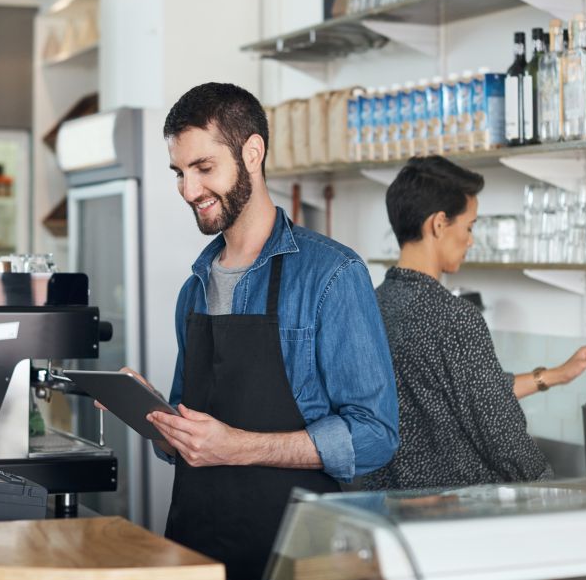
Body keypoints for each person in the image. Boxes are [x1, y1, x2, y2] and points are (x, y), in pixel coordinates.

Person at [118, 82, 398, 580]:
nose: (189, 190)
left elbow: (375, 436)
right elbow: (193, 441)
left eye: (204, 168)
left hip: (298, 554)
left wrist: (240, 447)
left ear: (252, 152)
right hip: (195, 548)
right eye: (180, 173)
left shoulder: (331, 275)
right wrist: (154, 415)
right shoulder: (195, 287)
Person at [362, 156, 586, 491]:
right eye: (469, 226)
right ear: (439, 224)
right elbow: (500, 432)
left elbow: (467, 391)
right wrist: (552, 492)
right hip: (452, 512)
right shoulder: (454, 318)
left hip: (387, 506)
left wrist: (556, 375)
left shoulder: (371, 305)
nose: (471, 240)